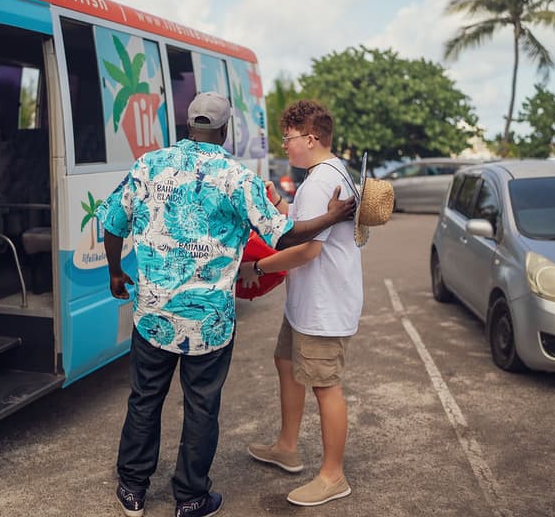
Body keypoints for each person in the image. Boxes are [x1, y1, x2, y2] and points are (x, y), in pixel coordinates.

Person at [97, 92, 356, 517]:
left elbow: (111, 221)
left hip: (153, 315)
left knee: (144, 399)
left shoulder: (148, 165)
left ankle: (132, 489)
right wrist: (332, 217)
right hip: (209, 321)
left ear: (187, 125)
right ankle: (191, 497)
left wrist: (113, 271)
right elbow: (285, 235)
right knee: (201, 406)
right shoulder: (236, 178)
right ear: (223, 132)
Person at [239, 100, 363, 507]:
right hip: (309, 302)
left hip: (323, 306)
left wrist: (257, 266)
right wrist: (279, 207)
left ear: (310, 139)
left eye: (289, 138)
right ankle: (287, 447)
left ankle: (333, 476)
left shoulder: (319, 182)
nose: (284, 145)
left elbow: (307, 250)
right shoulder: (330, 173)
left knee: (326, 387)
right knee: (287, 362)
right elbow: (307, 223)